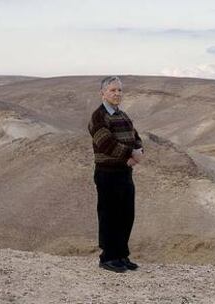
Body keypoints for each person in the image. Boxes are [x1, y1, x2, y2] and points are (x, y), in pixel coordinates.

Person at [88, 76, 144, 273]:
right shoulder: (98, 117)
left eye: (120, 90)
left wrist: (138, 153)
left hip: (124, 173)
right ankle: (108, 257)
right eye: (113, 90)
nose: (117, 94)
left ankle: (121, 255)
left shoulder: (123, 115)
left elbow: (136, 137)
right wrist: (130, 155)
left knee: (126, 215)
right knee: (109, 215)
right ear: (103, 93)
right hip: (107, 173)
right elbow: (106, 143)